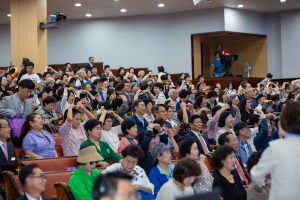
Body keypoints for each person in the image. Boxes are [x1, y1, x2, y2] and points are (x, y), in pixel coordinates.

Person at [251, 101, 300, 200]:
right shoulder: (258, 139)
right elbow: (266, 131)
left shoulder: (274, 146)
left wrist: (267, 118)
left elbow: (256, 176)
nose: (270, 129)